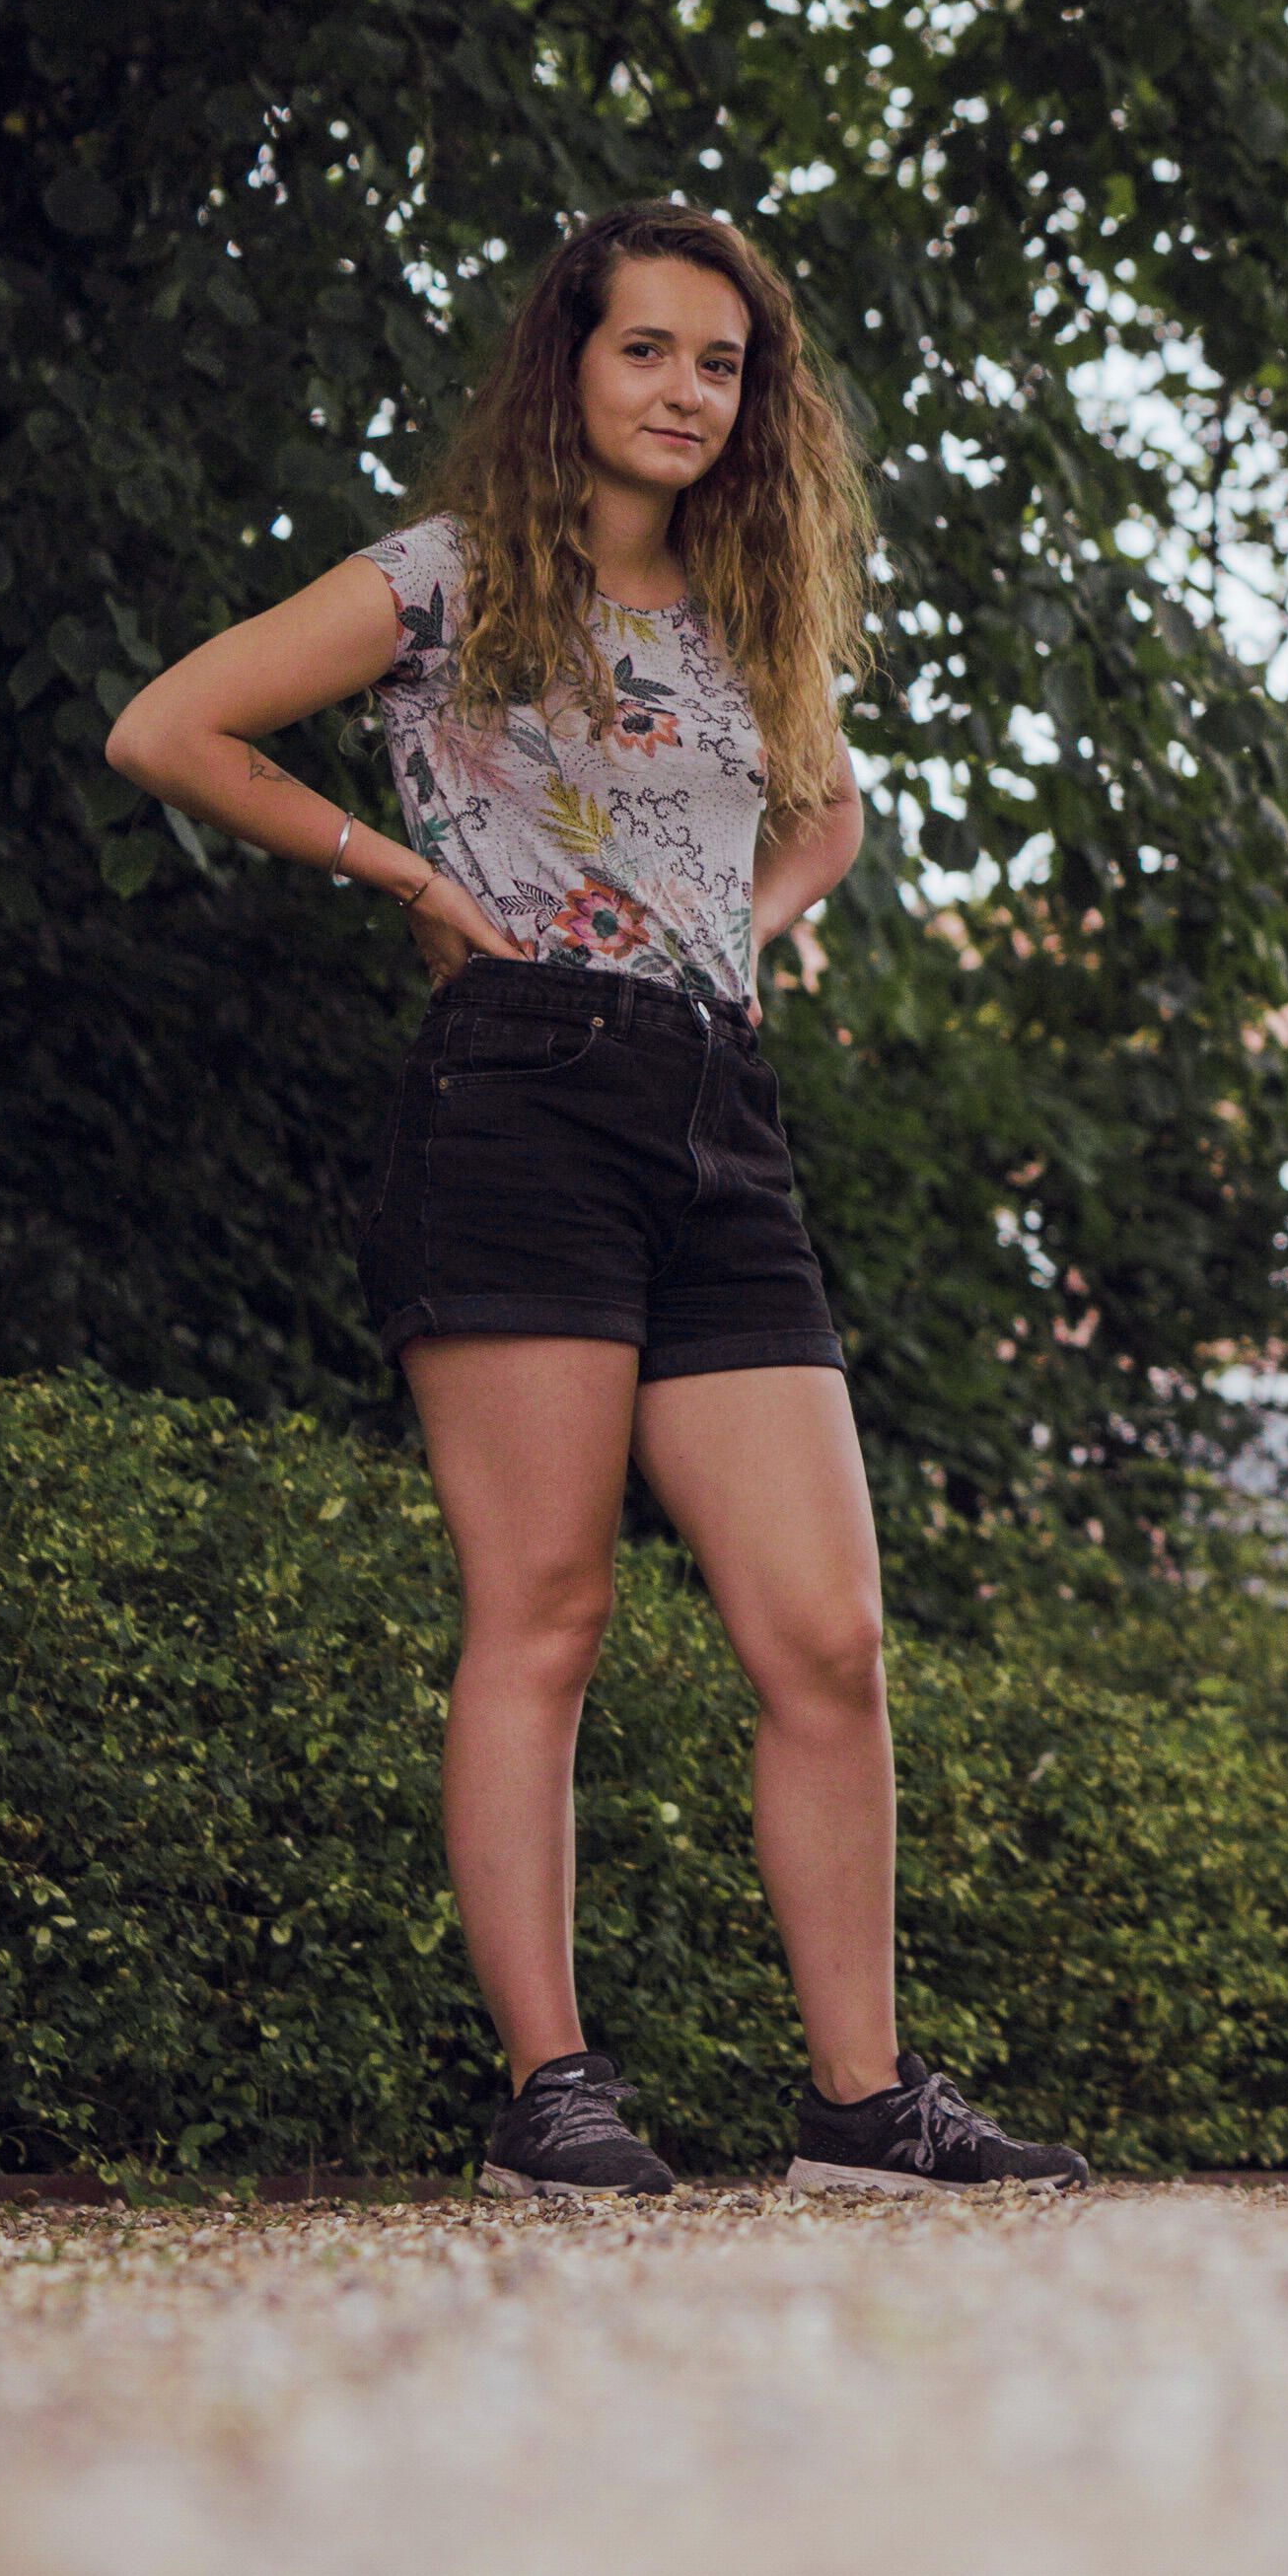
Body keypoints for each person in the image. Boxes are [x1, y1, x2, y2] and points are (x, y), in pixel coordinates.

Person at [105, 200, 1085, 2203]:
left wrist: (752, 928)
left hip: (719, 1110)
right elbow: (167, 724)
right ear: (569, 363)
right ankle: (555, 2092)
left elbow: (826, 806)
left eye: (720, 364)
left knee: (827, 1634)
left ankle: (862, 2107)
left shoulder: (747, 608)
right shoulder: (449, 580)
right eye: (647, 350)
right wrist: (409, 882)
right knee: (545, 1608)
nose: (685, 393)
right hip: (522, 1089)